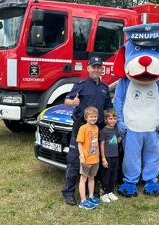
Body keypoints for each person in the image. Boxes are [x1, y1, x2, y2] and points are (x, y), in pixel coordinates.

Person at [61, 56, 113, 206]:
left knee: (93, 159)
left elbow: (108, 108)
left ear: (102, 69)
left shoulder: (104, 87)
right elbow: (67, 100)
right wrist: (73, 102)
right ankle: (68, 192)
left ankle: (92, 192)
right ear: (88, 68)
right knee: (74, 160)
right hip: (81, 128)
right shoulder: (81, 85)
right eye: (94, 67)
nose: (96, 69)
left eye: (99, 67)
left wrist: (114, 120)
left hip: (97, 130)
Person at [77, 106, 101, 209]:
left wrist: (98, 156)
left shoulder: (96, 128)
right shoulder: (83, 128)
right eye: (91, 116)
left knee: (92, 178)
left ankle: (91, 196)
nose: (93, 118)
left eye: (95, 116)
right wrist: (82, 155)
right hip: (86, 159)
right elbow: (79, 143)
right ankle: (83, 201)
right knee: (83, 179)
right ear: (86, 117)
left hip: (95, 159)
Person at [99, 109, 121, 203]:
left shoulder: (116, 130)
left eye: (114, 118)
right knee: (106, 175)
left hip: (115, 156)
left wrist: (122, 136)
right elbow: (102, 145)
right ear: (106, 119)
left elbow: (117, 141)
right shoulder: (104, 131)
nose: (112, 121)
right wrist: (103, 159)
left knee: (113, 175)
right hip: (107, 157)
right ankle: (103, 193)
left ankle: (110, 191)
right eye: (110, 119)